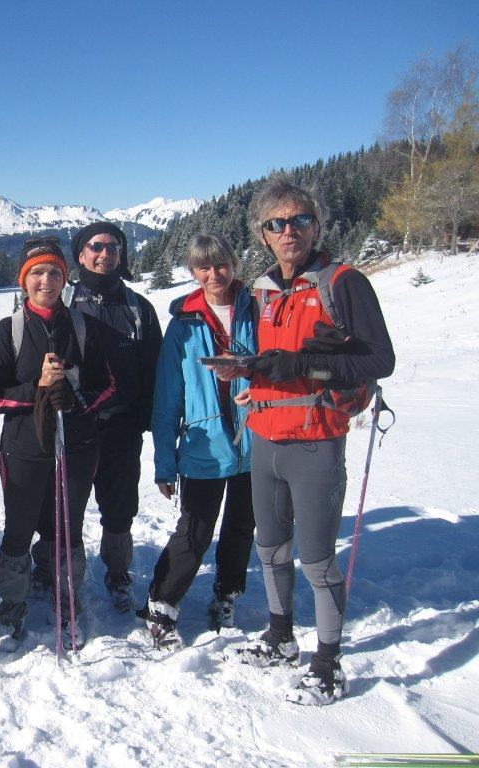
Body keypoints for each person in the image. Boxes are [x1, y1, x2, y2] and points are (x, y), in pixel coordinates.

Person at [231, 178, 395, 706]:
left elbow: (380, 360)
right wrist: (250, 372)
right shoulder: (263, 290)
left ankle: (328, 663)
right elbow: (275, 359)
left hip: (315, 439)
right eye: (276, 223)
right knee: (270, 547)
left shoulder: (342, 282)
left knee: (318, 559)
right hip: (264, 435)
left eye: (299, 219)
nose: (289, 231)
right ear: (263, 234)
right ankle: (281, 636)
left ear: (316, 226)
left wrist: (304, 363)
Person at [0, 237, 115, 649]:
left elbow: (108, 385)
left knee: (67, 527)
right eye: (37, 273)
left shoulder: (83, 327)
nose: (46, 281)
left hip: (76, 446)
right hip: (24, 447)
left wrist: (75, 397)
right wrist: (37, 390)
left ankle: (65, 597)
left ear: (65, 277)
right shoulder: (9, 330)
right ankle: (13, 602)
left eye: (54, 272)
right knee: (19, 527)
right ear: (23, 281)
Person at [35, 221, 161, 613]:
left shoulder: (138, 308)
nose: (105, 254)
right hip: (72, 423)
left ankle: (118, 572)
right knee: (61, 502)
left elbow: (154, 367)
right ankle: (49, 566)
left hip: (121, 423)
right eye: (96, 246)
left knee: (119, 506)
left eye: (113, 247)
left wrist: (146, 414)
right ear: (80, 253)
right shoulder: (64, 300)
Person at [141, 233, 256, 649]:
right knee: (194, 531)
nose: (214, 274)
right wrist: (164, 463)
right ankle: (162, 604)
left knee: (241, 528)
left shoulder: (258, 310)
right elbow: (167, 399)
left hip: (256, 444)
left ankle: (227, 594)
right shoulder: (183, 326)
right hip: (203, 446)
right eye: (203, 267)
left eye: (221, 264)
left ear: (234, 263)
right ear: (192, 272)